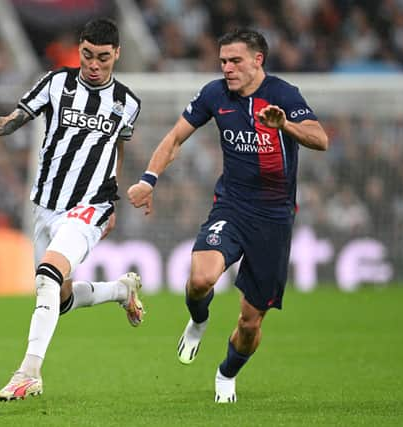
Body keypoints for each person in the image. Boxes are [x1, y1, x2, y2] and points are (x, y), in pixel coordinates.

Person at [128, 29, 328, 403]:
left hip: (274, 218)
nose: (227, 68)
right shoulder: (213, 94)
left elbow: (321, 139)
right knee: (200, 279)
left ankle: (226, 373)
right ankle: (199, 320)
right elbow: (174, 138)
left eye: (235, 61)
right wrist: (148, 180)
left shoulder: (283, 95)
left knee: (250, 323)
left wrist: (284, 124)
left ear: (257, 60)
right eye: (222, 61)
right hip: (232, 206)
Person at [0, 18, 144, 401]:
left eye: (103, 58)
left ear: (116, 55)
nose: (93, 65)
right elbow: (13, 120)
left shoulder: (127, 104)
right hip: (46, 206)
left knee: (47, 275)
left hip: (90, 206)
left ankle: (28, 372)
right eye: (87, 55)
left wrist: (112, 200)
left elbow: (117, 150)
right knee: (61, 297)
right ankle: (121, 290)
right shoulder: (56, 84)